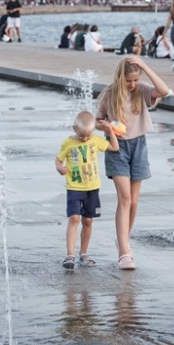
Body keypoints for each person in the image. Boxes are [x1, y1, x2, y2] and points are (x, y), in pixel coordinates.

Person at [96, 56, 170, 270]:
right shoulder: (110, 94)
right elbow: (98, 120)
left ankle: (123, 241)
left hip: (139, 146)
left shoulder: (142, 90)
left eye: (135, 79)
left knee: (134, 201)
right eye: (128, 80)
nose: (132, 84)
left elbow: (164, 91)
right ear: (120, 78)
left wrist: (145, 67)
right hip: (116, 147)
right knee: (125, 198)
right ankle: (123, 253)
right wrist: (107, 126)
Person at [55, 110, 120, 269]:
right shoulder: (68, 143)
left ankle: (83, 253)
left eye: (88, 136)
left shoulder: (95, 140)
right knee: (74, 218)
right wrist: (60, 167)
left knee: (88, 220)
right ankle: (70, 255)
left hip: (92, 188)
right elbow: (58, 159)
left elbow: (114, 147)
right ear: (74, 129)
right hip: (75, 187)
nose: (85, 139)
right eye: (82, 136)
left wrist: (110, 131)